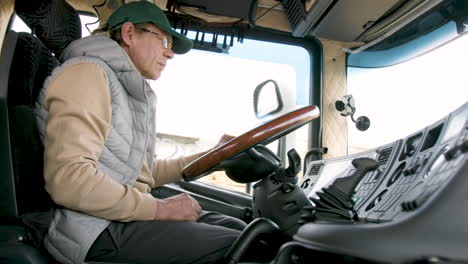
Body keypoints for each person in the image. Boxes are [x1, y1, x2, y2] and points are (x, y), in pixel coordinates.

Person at [34, 1, 247, 263]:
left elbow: (138, 171)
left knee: (250, 233)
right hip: (92, 229)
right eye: (164, 42)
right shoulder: (86, 74)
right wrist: (159, 209)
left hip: (115, 217)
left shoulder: (122, 87)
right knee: (248, 248)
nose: (170, 54)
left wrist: (213, 156)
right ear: (129, 34)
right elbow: (69, 180)